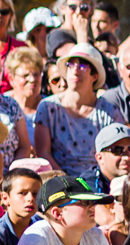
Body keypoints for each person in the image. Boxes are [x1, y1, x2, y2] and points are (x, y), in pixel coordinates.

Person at [10, 176, 124, 245]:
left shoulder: (96, 236)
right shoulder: (38, 236)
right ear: (58, 213)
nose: (92, 207)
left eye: (93, 202)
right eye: (84, 202)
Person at [35, 44, 121, 177]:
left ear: (95, 76)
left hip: (98, 182)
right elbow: (43, 153)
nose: (75, 71)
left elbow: (114, 154)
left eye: (82, 66)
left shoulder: (109, 111)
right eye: (71, 65)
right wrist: (67, 181)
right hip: (58, 182)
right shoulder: (48, 107)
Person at [0, 169, 43, 245]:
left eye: (35, 193)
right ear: (5, 198)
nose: (30, 199)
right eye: (22, 193)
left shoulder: (43, 229)